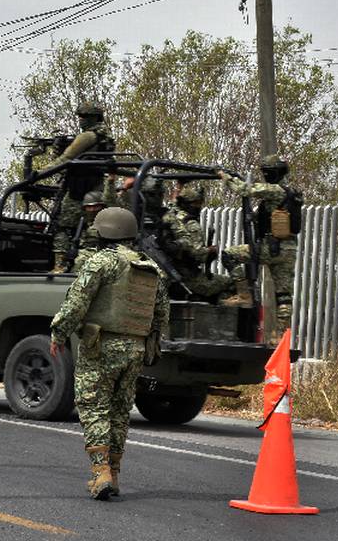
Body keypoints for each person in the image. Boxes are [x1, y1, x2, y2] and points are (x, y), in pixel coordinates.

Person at [50, 207, 170, 500]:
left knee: (94, 407)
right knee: (119, 411)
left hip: (101, 346)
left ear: (104, 231)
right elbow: (161, 314)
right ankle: (114, 473)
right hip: (136, 349)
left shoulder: (101, 261)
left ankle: (100, 472)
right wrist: (150, 345)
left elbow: (77, 301)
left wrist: (59, 332)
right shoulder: (152, 268)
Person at [217, 156, 302, 332]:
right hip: (289, 250)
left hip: (270, 248)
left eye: (266, 172)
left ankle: (243, 294)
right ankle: (281, 336)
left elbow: (244, 189)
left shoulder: (275, 190)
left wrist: (223, 175)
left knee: (229, 255)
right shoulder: (292, 194)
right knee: (284, 297)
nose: (264, 175)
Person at [51, 101, 115, 272]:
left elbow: (65, 160)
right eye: (80, 116)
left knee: (62, 226)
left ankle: (60, 266)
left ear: (94, 117)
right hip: (95, 190)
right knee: (91, 229)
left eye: (84, 116)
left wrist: (38, 172)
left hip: (78, 191)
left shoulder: (88, 136)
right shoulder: (105, 137)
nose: (80, 119)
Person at [161, 184, 232, 301]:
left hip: (170, 275)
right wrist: (210, 250)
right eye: (196, 204)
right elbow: (197, 253)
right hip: (189, 279)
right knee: (231, 282)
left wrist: (179, 186)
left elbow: (173, 202)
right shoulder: (191, 223)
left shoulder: (170, 215)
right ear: (186, 204)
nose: (198, 207)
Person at [71, 190, 107, 271]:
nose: (92, 210)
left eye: (96, 206)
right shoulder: (83, 223)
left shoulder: (108, 222)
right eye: (89, 207)